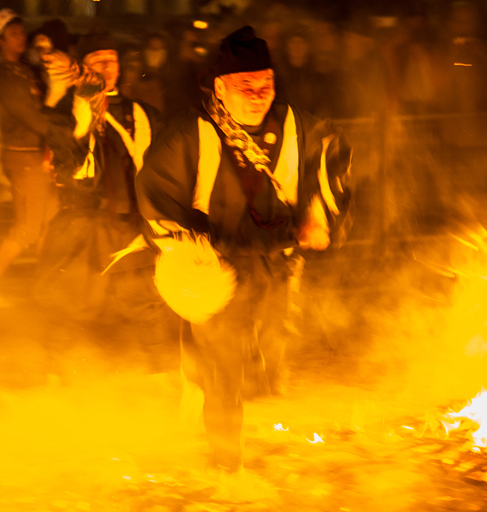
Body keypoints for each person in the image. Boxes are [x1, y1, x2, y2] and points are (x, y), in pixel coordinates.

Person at [135, 26, 353, 472]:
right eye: (246, 87)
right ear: (220, 87)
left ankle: (215, 384)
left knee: (269, 358)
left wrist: (320, 212)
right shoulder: (190, 135)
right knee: (223, 365)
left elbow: (334, 155)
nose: (258, 96)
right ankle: (225, 462)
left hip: (276, 260)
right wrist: (185, 253)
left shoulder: (298, 126)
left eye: (266, 86)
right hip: (216, 264)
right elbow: (155, 194)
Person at [35, 33, 172, 369]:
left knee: (141, 295)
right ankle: (55, 368)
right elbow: (64, 158)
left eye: (112, 60)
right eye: (98, 61)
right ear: (83, 68)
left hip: (130, 220)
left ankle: (159, 367)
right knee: (72, 296)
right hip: (84, 219)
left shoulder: (142, 112)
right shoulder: (66, 111)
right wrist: (83, 115)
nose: (108, 67)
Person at [0, 9, 60, 308]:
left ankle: (46, 281)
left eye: (22, 32)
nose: (20, 38)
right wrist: (61, 134)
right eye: (13, 34)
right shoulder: (4, 74)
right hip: (22, 157)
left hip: (35, 154)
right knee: (27, 227)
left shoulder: (22, 70)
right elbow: (29, 115)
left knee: (50, 217)